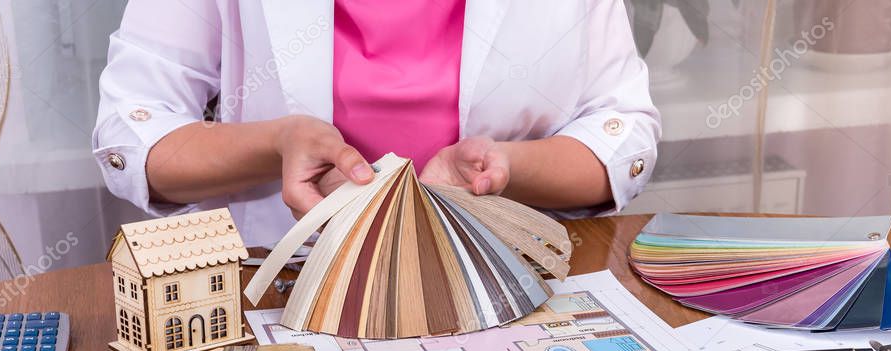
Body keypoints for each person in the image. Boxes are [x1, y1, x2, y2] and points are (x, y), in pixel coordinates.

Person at [94, 0, 660, 246]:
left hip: (506, 282)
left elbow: (621, 131)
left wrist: (508, 167)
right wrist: (275, 145)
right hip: (288, 281)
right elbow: (133, 135)